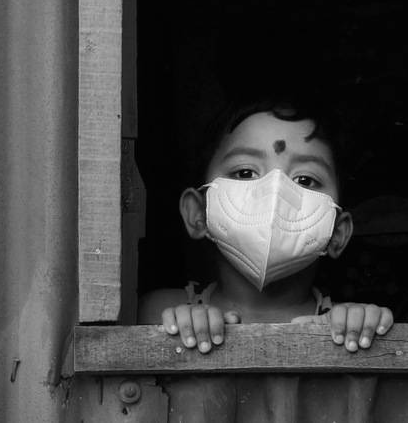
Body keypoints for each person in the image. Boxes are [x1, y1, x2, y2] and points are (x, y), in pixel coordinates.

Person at [138, 100, 394, 354]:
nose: (275, 193)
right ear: (198, 212)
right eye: (245, 173)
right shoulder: (161, 312)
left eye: (305, 180)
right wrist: (181, 329)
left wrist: (363, 330)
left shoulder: (348, 327)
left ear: (338, 232)